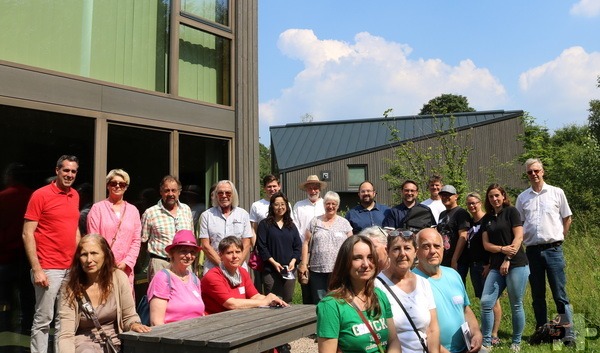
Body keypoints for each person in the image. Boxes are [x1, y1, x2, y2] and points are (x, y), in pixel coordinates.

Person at [23, 155, 81, 353]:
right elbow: (27, 233)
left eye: (73, 171)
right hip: (48, 267)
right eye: (66, 170)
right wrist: (37, 269)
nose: (69, 175)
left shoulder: (75, 195)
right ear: (57, 170)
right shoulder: (40, 195)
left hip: (70, 267)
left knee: (64, 319)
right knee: (43, 320)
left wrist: (79, 261)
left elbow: (74, 230)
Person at [515, 158, 575, 346]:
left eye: (536, 170)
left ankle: (568, 334)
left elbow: (567, 218)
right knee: (538, 295)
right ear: (527, 175)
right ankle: (542, 332)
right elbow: (519, 224)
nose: (533, 174)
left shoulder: (557, 193)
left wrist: (560, 237)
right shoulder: (523, 197)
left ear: (543, 172)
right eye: (529, 172)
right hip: (532, 252)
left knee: (560, 294)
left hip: (553, 250)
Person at [57, 234, 151, 353]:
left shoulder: (119, 278)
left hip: (117, 342)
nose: (89, 260)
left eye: (94, 253)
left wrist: (134, 325)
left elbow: (129, 316)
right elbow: (66, 334)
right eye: (84, 254)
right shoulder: (70, 286)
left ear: (105, 255)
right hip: (84, 345)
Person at [316, 235, 402, 353]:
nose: (366, 264)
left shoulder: (379, 295)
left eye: (370, 257)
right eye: (357, 258)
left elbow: (393, 340)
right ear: (345, 263)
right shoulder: (331, 305)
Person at [413, 228, 484, 353]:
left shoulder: (453, 274)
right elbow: (418, 331)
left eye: (436, 246)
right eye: (426, 246)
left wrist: (477, 334)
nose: (433, 251)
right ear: (416, 251)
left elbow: (465, 310)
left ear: (443, 248)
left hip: (467, 347)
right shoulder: (412, 282)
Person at [480, 184, 529, 352]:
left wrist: (507, 258)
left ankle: (516, 341)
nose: (494, 199)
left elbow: (518, 237)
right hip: (495, 265)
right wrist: (501, 249)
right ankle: (486, 342)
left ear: (503, 196)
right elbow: (486, 245)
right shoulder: (486, 219)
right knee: (486, 302)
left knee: (516, 304)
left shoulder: (512, 212)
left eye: (497, 195)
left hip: (517, 264)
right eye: (491, 196)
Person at [376, 229, 441, 353]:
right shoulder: (376, 286)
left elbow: (433, 328)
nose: (402, 254)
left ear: (415, 252)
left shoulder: (424, 283)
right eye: (396, 249)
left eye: (407, 248)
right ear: (387, 252)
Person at [201, 236, 288, 314]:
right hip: (215, 321)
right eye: (229, 253)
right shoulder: (212, 276)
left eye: (238, 252)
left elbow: (254, 296)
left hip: (238, 317)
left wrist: (272, 299)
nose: (235, 256)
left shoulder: (242, 272)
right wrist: (265, 301)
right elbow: (231, 304)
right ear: (221, 255)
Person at [87, 169, 141, 292]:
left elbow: (136, 240)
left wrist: (127, 262)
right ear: (107, 185)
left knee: (124, 306)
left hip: (125, 270)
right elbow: (93, 240)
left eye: (121, 184)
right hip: (102, 268)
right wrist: (105, 262)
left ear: (126, 187)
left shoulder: (133, 211)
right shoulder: (97, 209)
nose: (117, 186)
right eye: (113, 183)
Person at [299, 191, 353, 304]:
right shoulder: (315, 222)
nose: (331, 206)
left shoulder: (344, 223)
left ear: (338, 206)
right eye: (328, 203)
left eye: (334, 204)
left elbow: (351, 246)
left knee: (339, 300)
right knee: (320, 301)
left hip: (339, 270)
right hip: (317, 270)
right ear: (324, 205)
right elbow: (306, 242)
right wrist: (304, 264)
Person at [0, 162, 34, 334]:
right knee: (27, 297)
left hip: (5, 256)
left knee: (4, 299)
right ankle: (26, 329)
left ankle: (5, 329)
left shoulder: (3, 197)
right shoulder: (32, 196)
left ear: (9, 177)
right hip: (27, 255)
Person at [141, 175, 194, 281]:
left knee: (185, 296)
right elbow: (142, 241)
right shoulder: (150, 213)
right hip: (160, 263)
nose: (170, 194)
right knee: (159, 297)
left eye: (174, 190)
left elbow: (191, 238)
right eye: (167, 191)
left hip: (184, 264)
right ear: (161, 192)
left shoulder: (186, 210)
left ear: (179, 192)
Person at [465, 192, 501, 346]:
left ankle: (494, 333)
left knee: (493, 301)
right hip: (474, 265)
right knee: (482, 299)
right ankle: (487, 330)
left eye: (474, 203)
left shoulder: (488, 220)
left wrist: (490, 264)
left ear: (480, 203)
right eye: (469, 204)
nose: (472, 206)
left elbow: (493, 243)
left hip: (487, 265)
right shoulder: (470, 222)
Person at [147, 230, 205, 325]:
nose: (189, 256)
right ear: (172, 253)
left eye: (192, 252)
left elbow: (200, 313)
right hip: (173, 335)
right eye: (183, 251)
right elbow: (156, 322)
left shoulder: (195, 279)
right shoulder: (163, 278)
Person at [256, 192, 302, 303]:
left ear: (286, 206)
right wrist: (273, 263)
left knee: (287, 300)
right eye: (276, 204)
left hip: (289, 269)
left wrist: (293, 261)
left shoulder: (291, 225)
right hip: (271, 269)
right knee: (272, 301)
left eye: (282, 204)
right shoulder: (264, 224)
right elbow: (262, 246)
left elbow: (298, 246)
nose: (280, 207)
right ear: (272, 206)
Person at [199, 180, 253, 275]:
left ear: (233, 195)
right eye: (220, 193)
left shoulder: (243, 214)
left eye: (228, 193)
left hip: (238, 269)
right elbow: (205, 245)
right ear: (216, 196)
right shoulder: (206, 216)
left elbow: (247, 244)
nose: (224, 196)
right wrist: (223, 266)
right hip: (213, 268)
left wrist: (235, 266)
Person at [293, 175, 326, 305]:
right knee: (305, 284)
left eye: (315, 188)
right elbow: (295, 228)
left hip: (322, 251)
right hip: (304, 251)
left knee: (322, 288)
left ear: (319, 189)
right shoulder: (299, 206)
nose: (313, 191)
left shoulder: (325, 205)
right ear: (306, 189)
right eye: (310, 188)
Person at [249, 174, 285, 293]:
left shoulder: (285, 204)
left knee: (282, 287)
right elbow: (253, 229)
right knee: (261, 285)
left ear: (279, 186)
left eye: (274, 186)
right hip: (262, 253)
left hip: (280, 250)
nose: (272, 189)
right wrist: (258, 249)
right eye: (269, 186)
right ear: (264, 188)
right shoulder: (257, 205)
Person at [436, 184, 471, 281]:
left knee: (456, 287)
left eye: (448, 195)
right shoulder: (442, 214)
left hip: (458, 260)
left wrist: (454, 259)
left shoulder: (461, 213)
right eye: (443, 195)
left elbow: (463, 236)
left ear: (456, 196)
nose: (445, 197)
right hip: (444, 259)